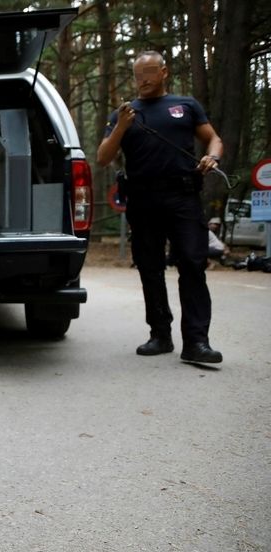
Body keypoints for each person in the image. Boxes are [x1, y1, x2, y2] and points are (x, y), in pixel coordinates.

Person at [97, 51, 224, 364]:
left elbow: (214, 139)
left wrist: (213, 157)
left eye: (150, 71)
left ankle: (196, 342)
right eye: (138, 73)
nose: (144, 79)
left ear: (164, 72)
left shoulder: (186, 105)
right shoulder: (124, 113)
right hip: (143, 200)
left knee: (193, 264)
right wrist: (121, 127)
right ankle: (160, 335)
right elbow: (102, 157)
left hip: (183, 197)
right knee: (150, 267)